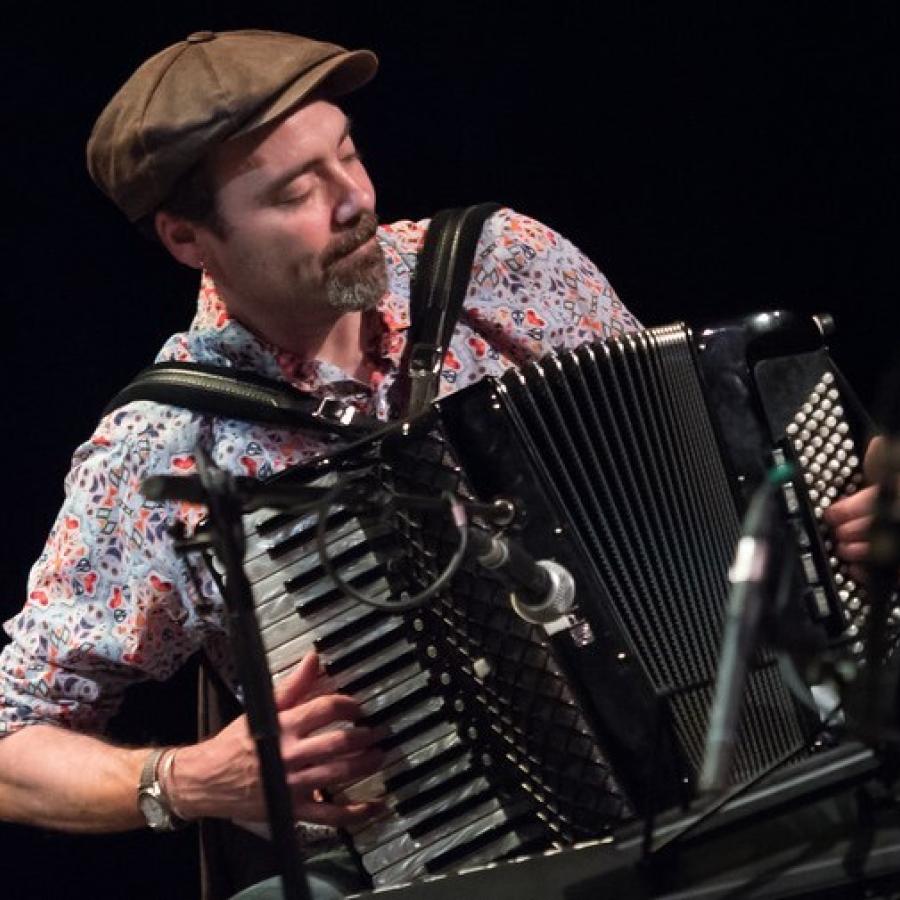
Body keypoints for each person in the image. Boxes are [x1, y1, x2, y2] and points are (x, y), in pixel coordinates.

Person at [0, 28, 638, 899]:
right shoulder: (167, 444)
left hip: (714, 745)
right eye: (298, 190)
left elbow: (682, 448)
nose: (354, 201)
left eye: (348, 154)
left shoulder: (503, 264)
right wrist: (184, 781)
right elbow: (12, 739)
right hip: (459, 854)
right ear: (189, 239)